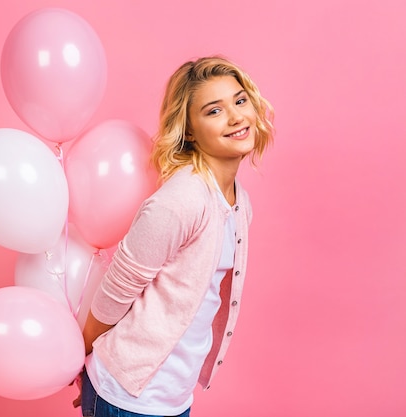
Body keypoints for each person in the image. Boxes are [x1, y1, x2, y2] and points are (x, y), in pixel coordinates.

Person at [73, 56, 275, 417]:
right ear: (190, 130)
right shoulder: (181, 199)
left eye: (240, 101)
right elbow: (115, 292)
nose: (235, 117)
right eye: (214, 111)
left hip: (173, 398)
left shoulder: (238, 202)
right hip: (128, 399)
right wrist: (83, 364)